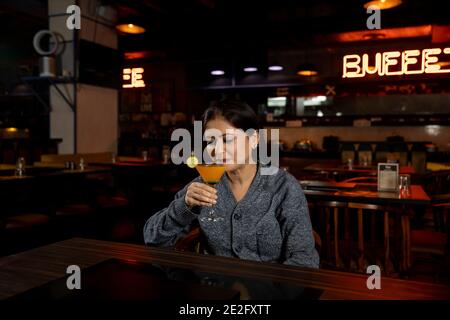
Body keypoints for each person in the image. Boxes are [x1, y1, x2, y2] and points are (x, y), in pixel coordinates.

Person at [143, 99, 319, 268]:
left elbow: (304, 260)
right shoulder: (203, 184)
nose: (217, 150)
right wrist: (184, 206)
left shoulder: (284, 187)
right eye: (211, 141)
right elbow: (152, 238)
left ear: (254, 139)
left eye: (227, 139)